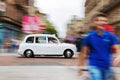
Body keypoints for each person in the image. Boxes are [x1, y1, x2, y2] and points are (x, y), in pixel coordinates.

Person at [78, 13, 120, 80]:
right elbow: (83, 53)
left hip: (106, 66)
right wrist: (80, 66)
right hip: (94, 65)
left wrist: (118, 55)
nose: (102, 22)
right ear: (95, 22)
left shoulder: (110, 36)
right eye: (100, 20)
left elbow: (117, 47)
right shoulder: (89, 36)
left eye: (104, 21)